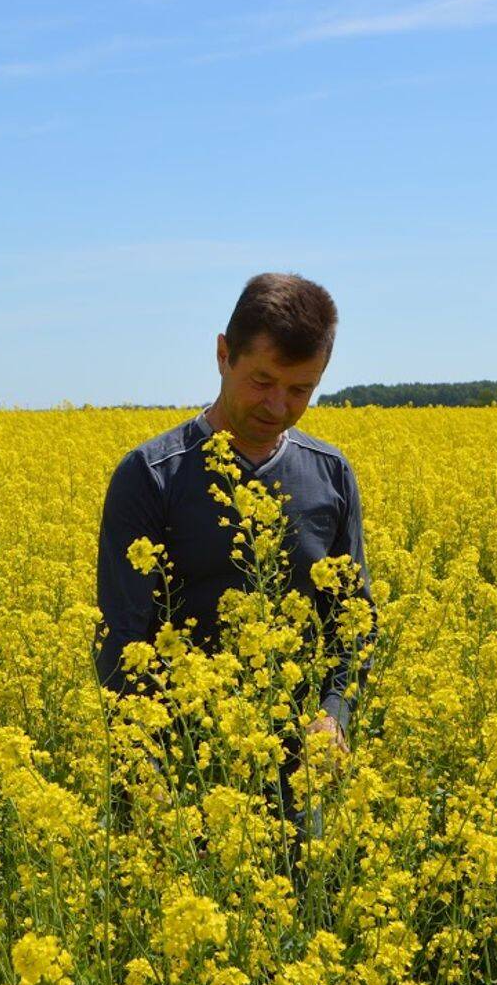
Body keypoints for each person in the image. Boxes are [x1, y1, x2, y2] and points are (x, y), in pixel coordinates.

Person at [93, 272, 376, 854]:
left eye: (301, 389)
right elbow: (122, 637)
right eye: (262, 381)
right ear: (223, 354)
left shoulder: (330, 475)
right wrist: (150, 778)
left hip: (292, 781)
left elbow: (354, 622)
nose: (278, 406)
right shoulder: (152, 477)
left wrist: (334, 714)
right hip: (177, 777)